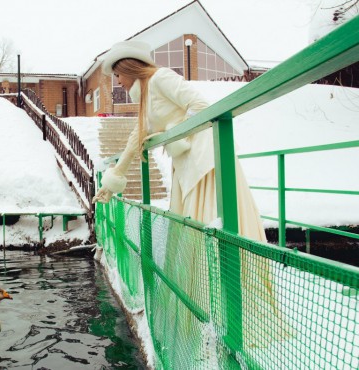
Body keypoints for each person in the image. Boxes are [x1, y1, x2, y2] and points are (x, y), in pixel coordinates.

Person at [93, 40, 289, 363]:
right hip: (187, 172)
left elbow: (200, 106)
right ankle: (213, 321)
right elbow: (134, 139)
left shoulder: (160, 79)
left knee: (214, 241)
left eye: (118, 75)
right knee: (194, 246)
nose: (118, 83)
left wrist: (176, 135)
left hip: (206, 165)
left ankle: (236, 323)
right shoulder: (144, 100)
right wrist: (112, 183)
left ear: (129, 68)